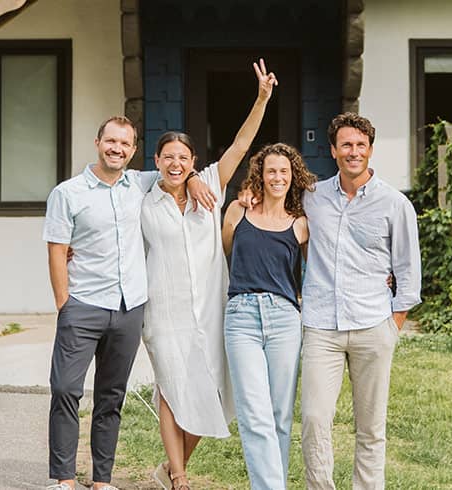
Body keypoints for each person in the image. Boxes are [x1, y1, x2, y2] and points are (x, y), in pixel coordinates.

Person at [42, 116, 216, 490]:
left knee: (110, 396)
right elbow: (57, 252)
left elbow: (178, 167)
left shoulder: (140, 183)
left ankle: (102, 480)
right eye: (111, 141)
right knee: (66, 389)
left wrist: (196, 177)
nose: (117, 149)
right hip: (83, 305)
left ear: (135, 150)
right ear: (98, 142)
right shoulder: (67, 193)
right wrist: (64, 303)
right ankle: (64, 479)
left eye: (125, 144)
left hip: (128, 308)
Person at [141, 60, 277, 490]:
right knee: (171, 388)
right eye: (169, 157)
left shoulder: (213, 186)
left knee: (216, 393)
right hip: (164, 311)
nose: (176, 163)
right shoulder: (142, 198)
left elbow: (241, 143)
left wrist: (261, 99)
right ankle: (179, 476)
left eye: (185, 158)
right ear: (157, 161)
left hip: (213, 308)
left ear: (194, 161)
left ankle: (167, 469)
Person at [300, 112, 422, 489]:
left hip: (373, 325)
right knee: (315, 419)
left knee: (371, 427)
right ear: (333, 150)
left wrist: (392, 325)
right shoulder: (312, 197)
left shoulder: (394, 204)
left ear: (370, 150)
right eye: (346, 145)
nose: (353, 152)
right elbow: (272, 208)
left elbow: (408, 270)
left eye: (360, 145)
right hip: (321, 326)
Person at [221, 143, 316, 489]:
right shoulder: (236, 212)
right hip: (241, 317)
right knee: (254, 414)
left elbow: (324, 265)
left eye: (284, 172)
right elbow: (219, 256)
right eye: (271, 170)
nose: (278, 177)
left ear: (294, 178)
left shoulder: (301, 225)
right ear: (260, 175)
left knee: (279, 416)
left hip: (284, 319)